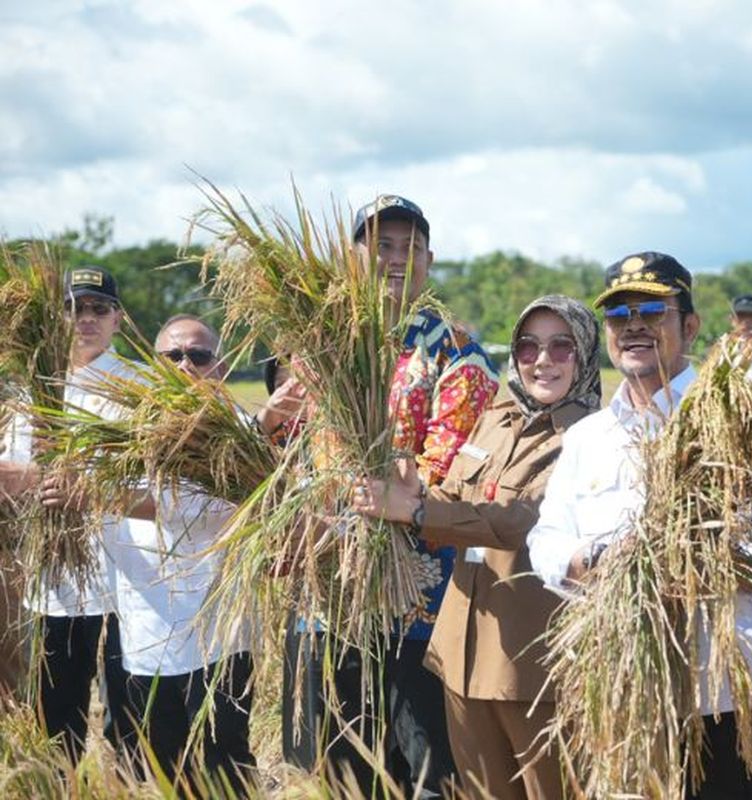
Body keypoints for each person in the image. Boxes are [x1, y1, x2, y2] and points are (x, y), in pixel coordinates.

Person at [526, 252, 752, 800]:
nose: (633, 326)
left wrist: (688, 567)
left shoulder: (743, 424)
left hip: (732, 699)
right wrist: (599, 563)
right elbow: (545, 542)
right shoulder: (589, 438)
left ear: (690, 325)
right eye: (618, 315)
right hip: (626, 703)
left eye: (652, 310)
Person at [260, 195, 498, 795]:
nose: (396, 259)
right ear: (354, 256)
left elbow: (447, 467)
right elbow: (291, 457)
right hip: (328, 593)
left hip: (415, 598)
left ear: (430, 261)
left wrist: (373, 498)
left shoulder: (454, 351)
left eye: (410, 248)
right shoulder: (318, 348)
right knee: (336, 762)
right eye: (382, 245)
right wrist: (269, 434)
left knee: (423, 768)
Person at [352, 294, 601, 799]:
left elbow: (522, 520)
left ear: (587, 354)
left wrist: (419, 512)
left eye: (561, 347)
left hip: (534, 665)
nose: (542, 360)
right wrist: (411, 491)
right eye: (528, 346)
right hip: (458, 656)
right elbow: (459, 493)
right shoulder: (496, 417)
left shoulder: (591, 437)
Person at [109, 314, 256, 792]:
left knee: (224, 763)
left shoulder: (240, 434)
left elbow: (197, 511)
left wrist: (90, 493)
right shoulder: (124, 435)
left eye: (199, 355)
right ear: (154, 367)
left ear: (222, 367)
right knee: (165, 766)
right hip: (146, 631)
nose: (186, 365)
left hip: (219, 635)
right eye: (173, 356)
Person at [0, 265, 137, 763]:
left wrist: (72, 471)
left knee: (129, 723)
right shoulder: (29, 394)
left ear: (118, 319)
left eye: (99, 308)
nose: (86, 318)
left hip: (126, 580)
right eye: (74, 308)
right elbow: (14, 481)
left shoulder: (140, 389)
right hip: (54, 585)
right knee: (58, 723)